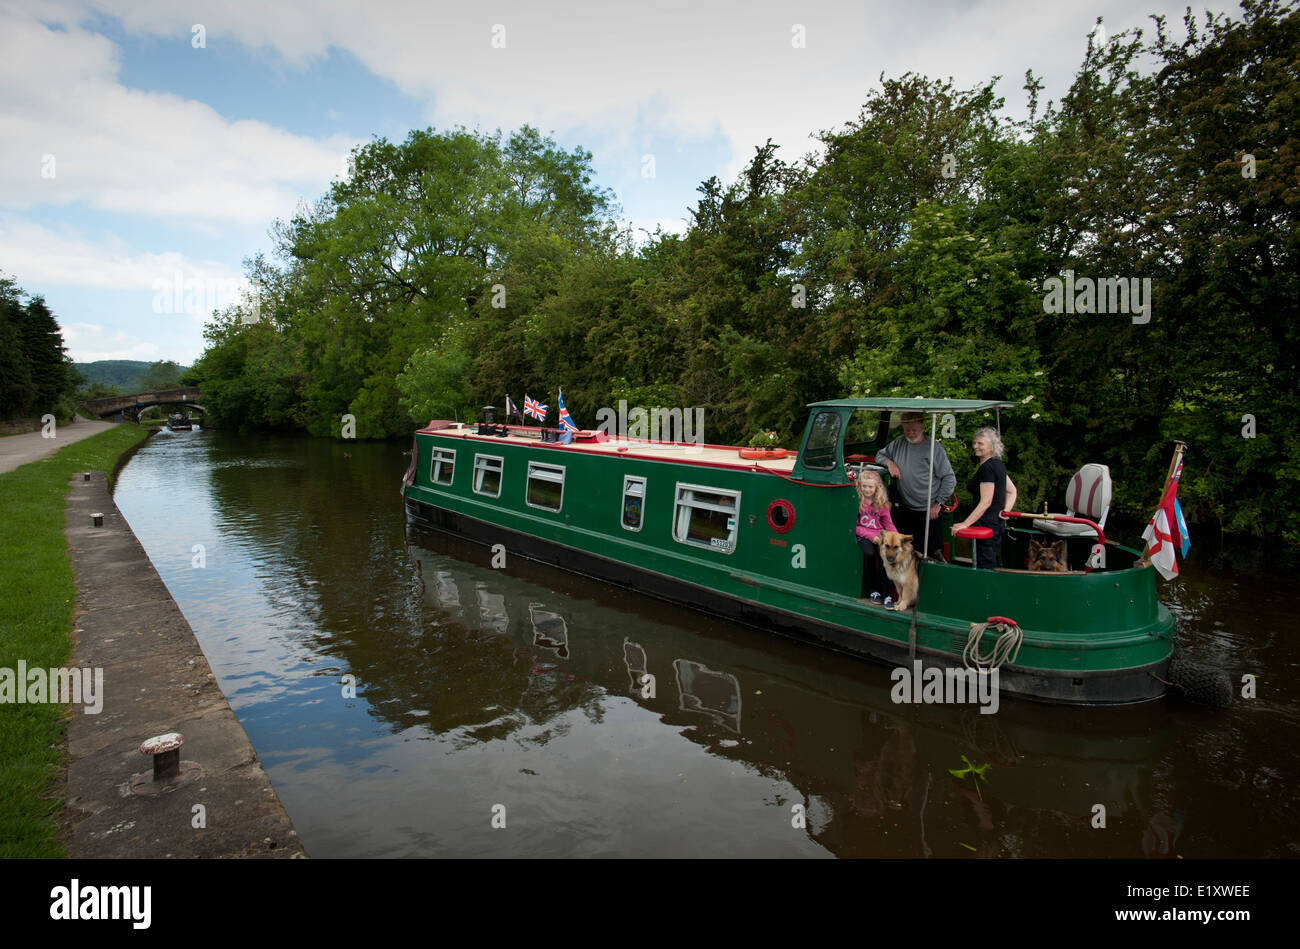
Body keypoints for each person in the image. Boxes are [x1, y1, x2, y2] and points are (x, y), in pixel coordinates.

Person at [876, 411, 956, 560]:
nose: (910, 434)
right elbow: (880, 455)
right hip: (905, 508)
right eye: (907, 430)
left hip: (929, 510)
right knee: (906, 551)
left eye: (914, 430)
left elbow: (949, 478)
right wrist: (890, 463)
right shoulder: (899, 442)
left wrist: (938, 504)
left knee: (932, 551)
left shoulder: (934, 448)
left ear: (922, 428)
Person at [952, 427, 1018, 569]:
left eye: (980, 443)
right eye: (975, 443)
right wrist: (1005, 510)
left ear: (991, 446)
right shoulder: (998, 465)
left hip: (985, 523)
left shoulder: (987, 468)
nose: (975, 446)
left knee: (985, 564)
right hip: (996, 523)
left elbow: (986, 501)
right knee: (993, 562)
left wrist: (965, 523)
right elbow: (1012, 491)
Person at [853, 469, 897, 605]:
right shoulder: (857, 502)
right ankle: (873, 589)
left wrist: (897, 539)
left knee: (889, 557)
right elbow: (855, 526)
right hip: (864, 535)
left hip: (880, 535)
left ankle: (887, 593)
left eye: (870, 487)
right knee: (869, 554)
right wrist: (872, 537)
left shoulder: (882, 505)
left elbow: (889, 525)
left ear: (876, 487)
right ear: (859, 486)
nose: (867, 490)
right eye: (864, 486)